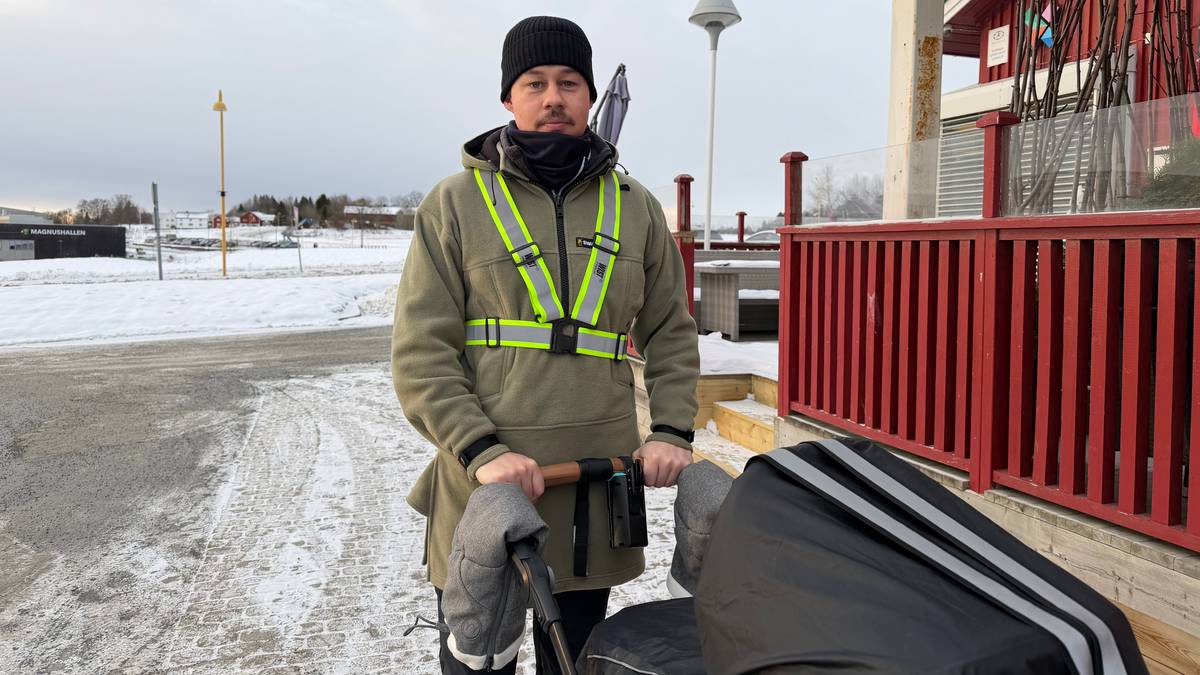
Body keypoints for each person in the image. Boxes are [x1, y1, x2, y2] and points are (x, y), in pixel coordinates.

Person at [392, 15, 699, 674]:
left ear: (589, 96)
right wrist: (482, 450)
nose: (553, 97)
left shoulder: (637, 207)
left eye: (569, 82)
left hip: (595, 487)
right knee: (481, 659)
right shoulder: (453, 205)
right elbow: (422, 351)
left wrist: (671, 428)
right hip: (487, 489)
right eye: (535, 83)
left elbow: (672, 329)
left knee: (577, 659)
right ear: (510, 97)